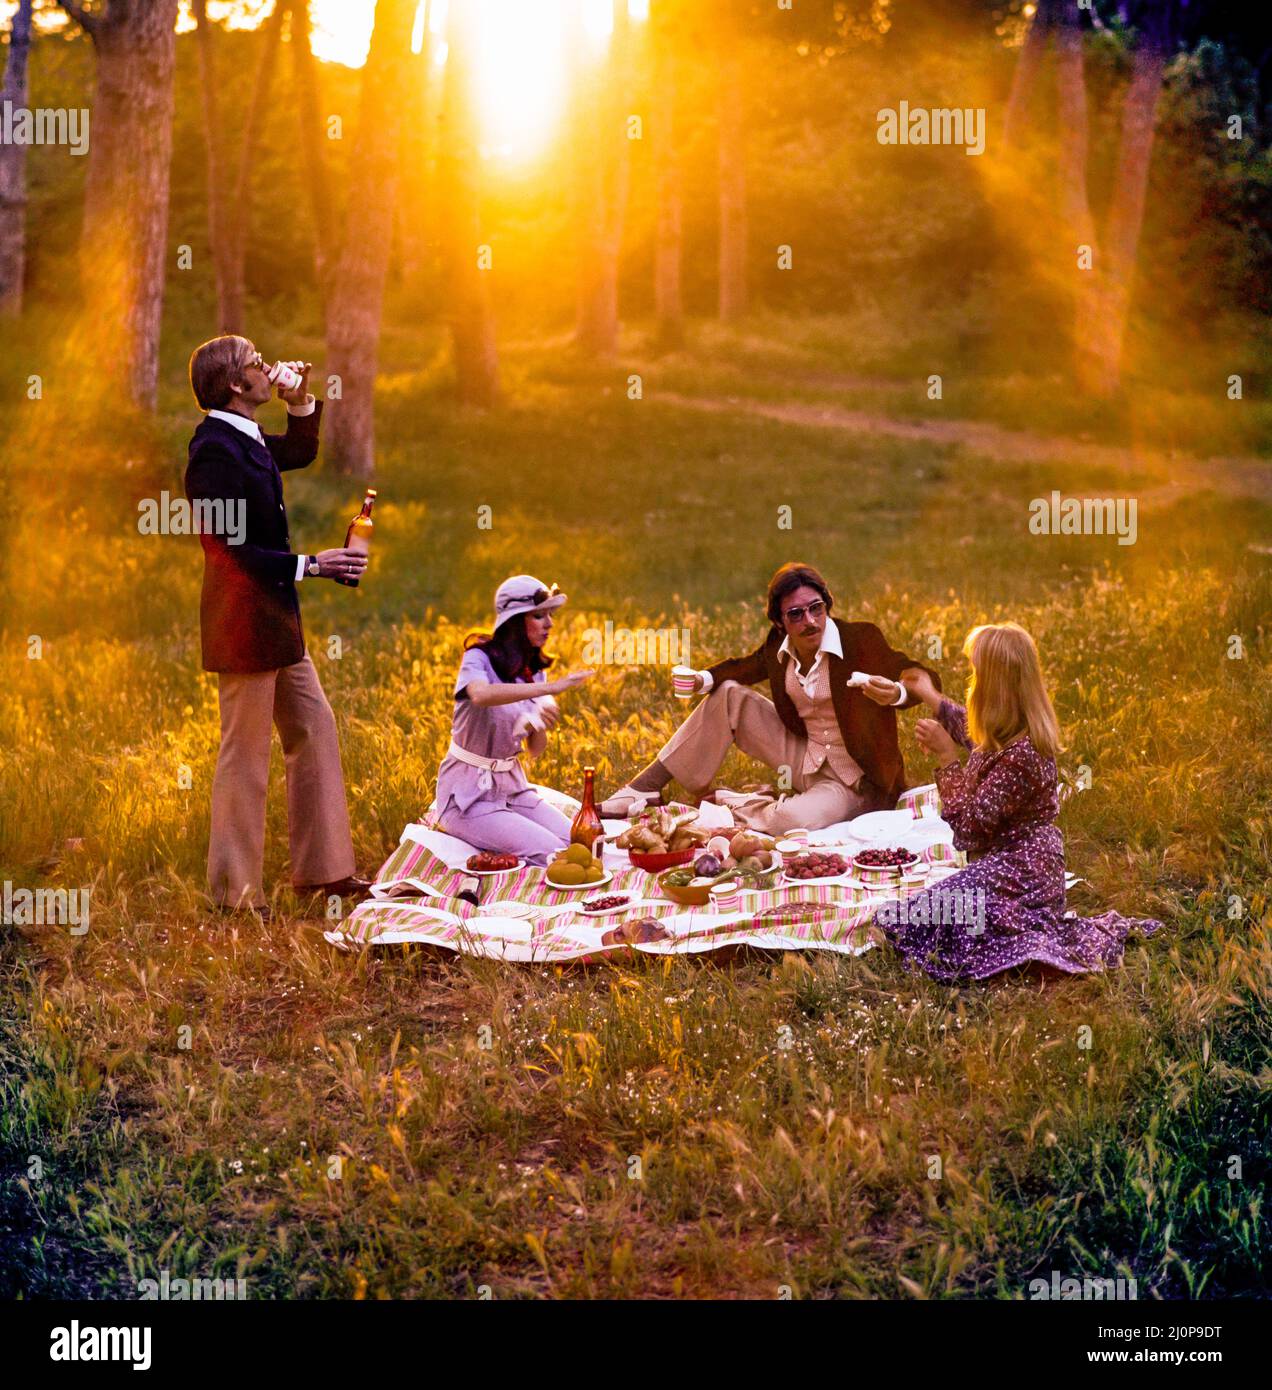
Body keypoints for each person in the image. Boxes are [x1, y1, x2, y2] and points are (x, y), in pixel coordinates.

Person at [184, 335, 371, 919]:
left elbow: (297, 452)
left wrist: (300, 401)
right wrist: (311, 564)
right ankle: (233, 897)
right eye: (257, 364)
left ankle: (324, 873)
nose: (270, 367)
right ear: (237, 386)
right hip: (242, 627)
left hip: (276, 626)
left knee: (313, 729)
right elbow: (228, 554)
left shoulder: (243, 438)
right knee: (244, 759)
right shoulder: (212, 451)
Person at [879, 622, 1163, 981]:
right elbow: (971, 729)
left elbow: (969, 833)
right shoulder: (1006, 730)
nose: (971, 684)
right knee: (922, 915)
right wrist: (932, 698)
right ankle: (1001, 920)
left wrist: (947, 760)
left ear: (993, 689)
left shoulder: (1023, 756)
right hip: (1006, 862)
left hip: (1025, 871)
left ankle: (1027, 928)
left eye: (975, 676)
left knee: (915, 918)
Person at [600, 562, 941, 833]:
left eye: (816, 608)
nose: (809, 621)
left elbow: (918, 674)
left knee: (791, 823)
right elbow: (747, 667)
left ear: (827, 606)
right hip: (805, 756)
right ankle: (645, 786)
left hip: (854, 782)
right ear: (780, 622)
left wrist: (897, 693)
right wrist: (703, 678)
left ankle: (735, 804)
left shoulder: (860, 640)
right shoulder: (779, 646)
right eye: (796, 614)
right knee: (730, 695)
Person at [434, 576, 595, 864]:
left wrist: (539, 725)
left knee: (584, 845)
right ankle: (472, 831)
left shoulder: (532, 669)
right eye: (539, 615)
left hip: (513, 788)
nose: (549, 624)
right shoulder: (478, 658)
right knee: (557, 857)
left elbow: (535, 749)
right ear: (515, 621)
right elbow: (480, 695)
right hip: (468, 796)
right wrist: (549, 688)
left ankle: (501, 831)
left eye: (550, 615)